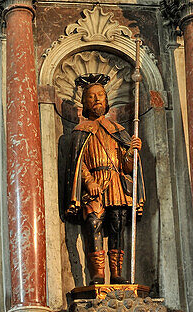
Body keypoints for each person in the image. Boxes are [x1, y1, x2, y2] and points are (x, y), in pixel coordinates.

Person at [63, 74, 144, 285]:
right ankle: (97, 273)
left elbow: (127, 168)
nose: (97, 99)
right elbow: (77, 162)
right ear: (84, 103)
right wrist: (88, 180)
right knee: (93, 223)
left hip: (116, 182)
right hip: (95, 183)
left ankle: (117, 273)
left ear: (107, 100)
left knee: (118, 223)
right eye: (91, 96)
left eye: (100, 95)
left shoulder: (118, 131)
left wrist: (131, 153)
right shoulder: (80, 131)